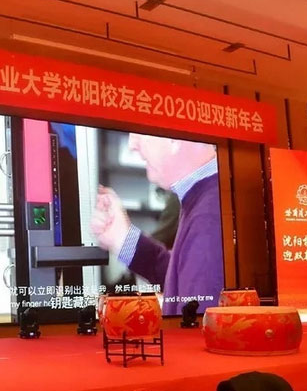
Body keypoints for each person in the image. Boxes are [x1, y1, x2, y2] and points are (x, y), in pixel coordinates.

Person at [91, 133, 224, 315]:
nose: (132, 144)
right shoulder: (205, 197)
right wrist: (122, 239)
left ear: (174, 137)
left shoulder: (209, 216)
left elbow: (197, 325)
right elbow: (183, 277)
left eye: (139, 131)